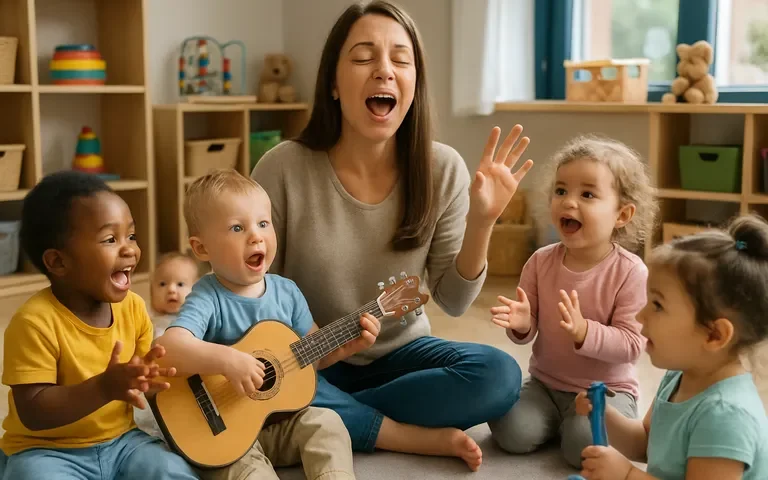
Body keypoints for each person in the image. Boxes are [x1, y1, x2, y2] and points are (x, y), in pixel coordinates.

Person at [250, 0, 532, 471]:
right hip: (306, 357)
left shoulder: (442, 168)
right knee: (260, 381)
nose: (384, 70)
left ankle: (336, 418)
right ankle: (399, 433)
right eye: (363, 57)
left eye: (401, 60)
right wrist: (309, 344)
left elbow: (455, 301)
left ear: (414, 83)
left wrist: (483, 221)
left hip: (400, 355)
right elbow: (250, 291)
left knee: (500, 375)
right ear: (335, 84)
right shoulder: (282, 167)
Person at [155, 169, 380, 480]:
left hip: (279, 425)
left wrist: (344, 348)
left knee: (327, 423)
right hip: (224, 438)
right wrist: (228, 360)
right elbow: (166, 349)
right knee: (247, 473)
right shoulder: (208, 296)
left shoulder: (287, 293)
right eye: (237, 228)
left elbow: (309, 358)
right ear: (202, 248)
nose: (256, 236)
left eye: (263, 223)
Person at [0, 171, 198, 480]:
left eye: (131, 236)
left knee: (172, 469)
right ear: (58, 262)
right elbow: (33, 411)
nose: (130, 249)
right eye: (110, 239)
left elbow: (152, 377)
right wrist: (104, 387)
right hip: (47, 450)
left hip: (122, 441)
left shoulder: (133, 307)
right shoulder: (33, 322)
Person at [487, 135, 658, 468]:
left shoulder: (631, 272)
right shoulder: (539, 261)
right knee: (510, 431)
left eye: (588, 194)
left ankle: (572, 428)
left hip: (605, 393)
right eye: (561, 190)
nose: (568, 202)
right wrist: (523, 325)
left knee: (580, 446)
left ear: (622, 214)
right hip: (546, 384)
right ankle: (558, 423)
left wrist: (584, 332)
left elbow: (632, 344)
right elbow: (528, 327)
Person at [574, 214, 768, 480]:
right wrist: (604, 414)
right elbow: (644, 444)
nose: (640, 316)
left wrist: (627, 475)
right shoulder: (680, 375)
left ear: (714, 335)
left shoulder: (726, 416)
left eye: (658, 305)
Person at [149, 252, 200, 338]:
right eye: (162, 284)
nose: (171, 289)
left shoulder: (198, 320)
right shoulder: (149, 325)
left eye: (180, 284)